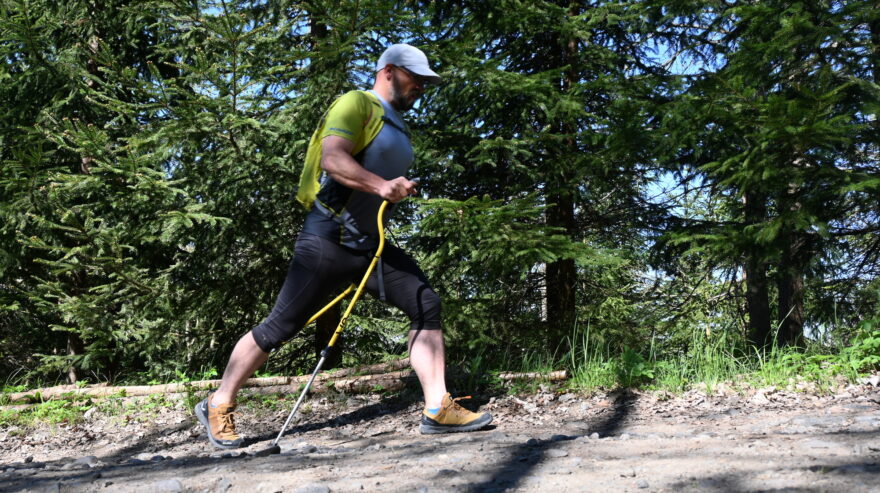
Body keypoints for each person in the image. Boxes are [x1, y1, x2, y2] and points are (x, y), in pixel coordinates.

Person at [195, 44, 492, 449]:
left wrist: (390, 190)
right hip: (328, 237)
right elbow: (332, 160)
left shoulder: (398, 124)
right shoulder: (356, 104)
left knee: (425, 302)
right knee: (281, 325)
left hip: (370, 244)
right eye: (415, 77)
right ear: (388, 71)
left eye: (425, 80)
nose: (422, 86)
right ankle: (219, 402)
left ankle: (438, 407)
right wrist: (383, 185)